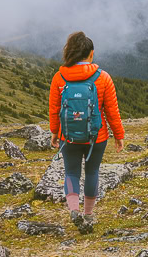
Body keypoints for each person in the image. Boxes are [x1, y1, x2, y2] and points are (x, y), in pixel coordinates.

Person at [48, 31, 124, 231]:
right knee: (92, 172)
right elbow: (111, 111)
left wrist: (55, 132)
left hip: (68, 136)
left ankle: (74, 210)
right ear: (90, 54)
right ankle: (88, 216)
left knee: (71, 172)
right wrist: (118, 135)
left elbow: (55, 109)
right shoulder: (103, 78)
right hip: (96, 137)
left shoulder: (59, 77)